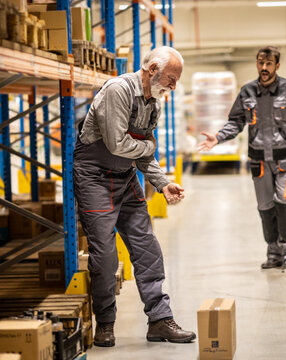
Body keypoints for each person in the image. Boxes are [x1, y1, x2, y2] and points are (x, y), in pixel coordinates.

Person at [73, 46, 196, 347]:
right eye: (171, 78)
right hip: (95, 178)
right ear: (153, 69)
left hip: (125, 178)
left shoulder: (153, 102)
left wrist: (162, 183)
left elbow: (139, 149)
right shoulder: (118, 90)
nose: (173, 86)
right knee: (104, 256)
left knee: (147, 248)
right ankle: (104, 322)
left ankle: (159, 320)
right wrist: (148, 148)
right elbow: (117, 144)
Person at [198, 46, 286, 271]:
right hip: (259, 160)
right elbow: (236, 121)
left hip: (285, 157)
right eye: (261, 63)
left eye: (269, 64)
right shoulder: (247, 92)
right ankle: (274, 252)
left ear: (277, 66)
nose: (264, 68)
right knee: (265, 207)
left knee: (284, 203)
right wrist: (218, 137)